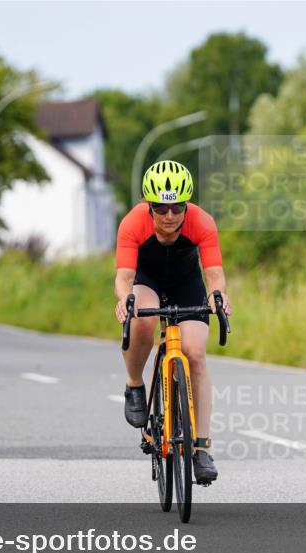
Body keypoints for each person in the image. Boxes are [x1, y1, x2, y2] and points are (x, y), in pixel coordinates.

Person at [114, 160, 232, 484]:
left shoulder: (202, 222)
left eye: (176, 207)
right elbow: (123, 277)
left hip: (185, 283)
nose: (169, 216)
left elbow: (215, 275)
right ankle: (135, 384)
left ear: (186, 204)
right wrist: (126, 299)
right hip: (147, 281)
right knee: (142, 321)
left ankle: (202, 447)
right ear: (148, 206)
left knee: (195, 354)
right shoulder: (132, 223)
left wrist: (218, 297)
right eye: (161, 208)